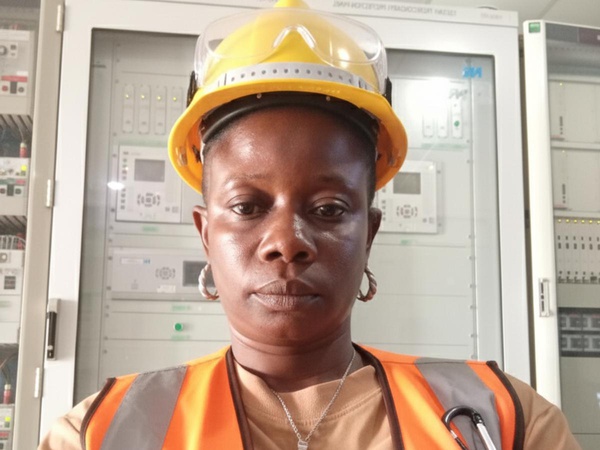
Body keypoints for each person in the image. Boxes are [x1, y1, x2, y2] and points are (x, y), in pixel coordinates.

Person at [40, 0, 581, 449]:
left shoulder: (504, 422)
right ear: (206, 234)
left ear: (368, 235)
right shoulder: (98, 434)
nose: (286, 243)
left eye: (328, 210)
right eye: (248, 207)